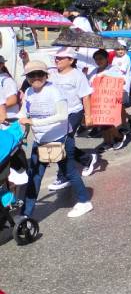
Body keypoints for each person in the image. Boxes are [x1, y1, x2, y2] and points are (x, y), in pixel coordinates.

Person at [19, 60, 93, 218]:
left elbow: (62, 116)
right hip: (40, 140)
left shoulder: (55, 91)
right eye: (31, 75)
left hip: (60, 139)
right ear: (27, 77)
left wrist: (34, 122)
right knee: (35, 175)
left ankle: (84, 201)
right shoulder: (28, 92)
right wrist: (16, 120)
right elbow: (23, 112)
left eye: (39, 74)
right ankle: (26, 214)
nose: (36, 78)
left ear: (46, 75)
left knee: (69, 171)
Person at [21, 48, 98, 185]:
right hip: (57, 113)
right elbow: (34, 73)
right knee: (60, 142)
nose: (57, 60)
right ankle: (86, 159)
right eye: (56, 57)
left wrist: (88, 115)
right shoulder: (51, 73)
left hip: (73, 112)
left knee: (64, 140)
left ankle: (64, 175)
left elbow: (85, 96)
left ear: (71, 60)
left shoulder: (78, 75)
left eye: (61, 58)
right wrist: (25, 59)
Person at [86, 49, 127, 152]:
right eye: (96, 59)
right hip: (97, 101)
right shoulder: (93, 71)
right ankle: (107, 142)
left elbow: (123, 81)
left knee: (107, 123)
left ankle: (119, 137)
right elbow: (89, 85)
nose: (98, 61)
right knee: (100, 123)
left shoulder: (113, 69)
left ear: (106, 59)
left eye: (101, 58)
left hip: (109, 100)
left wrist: (108, 77)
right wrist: (84, 75)